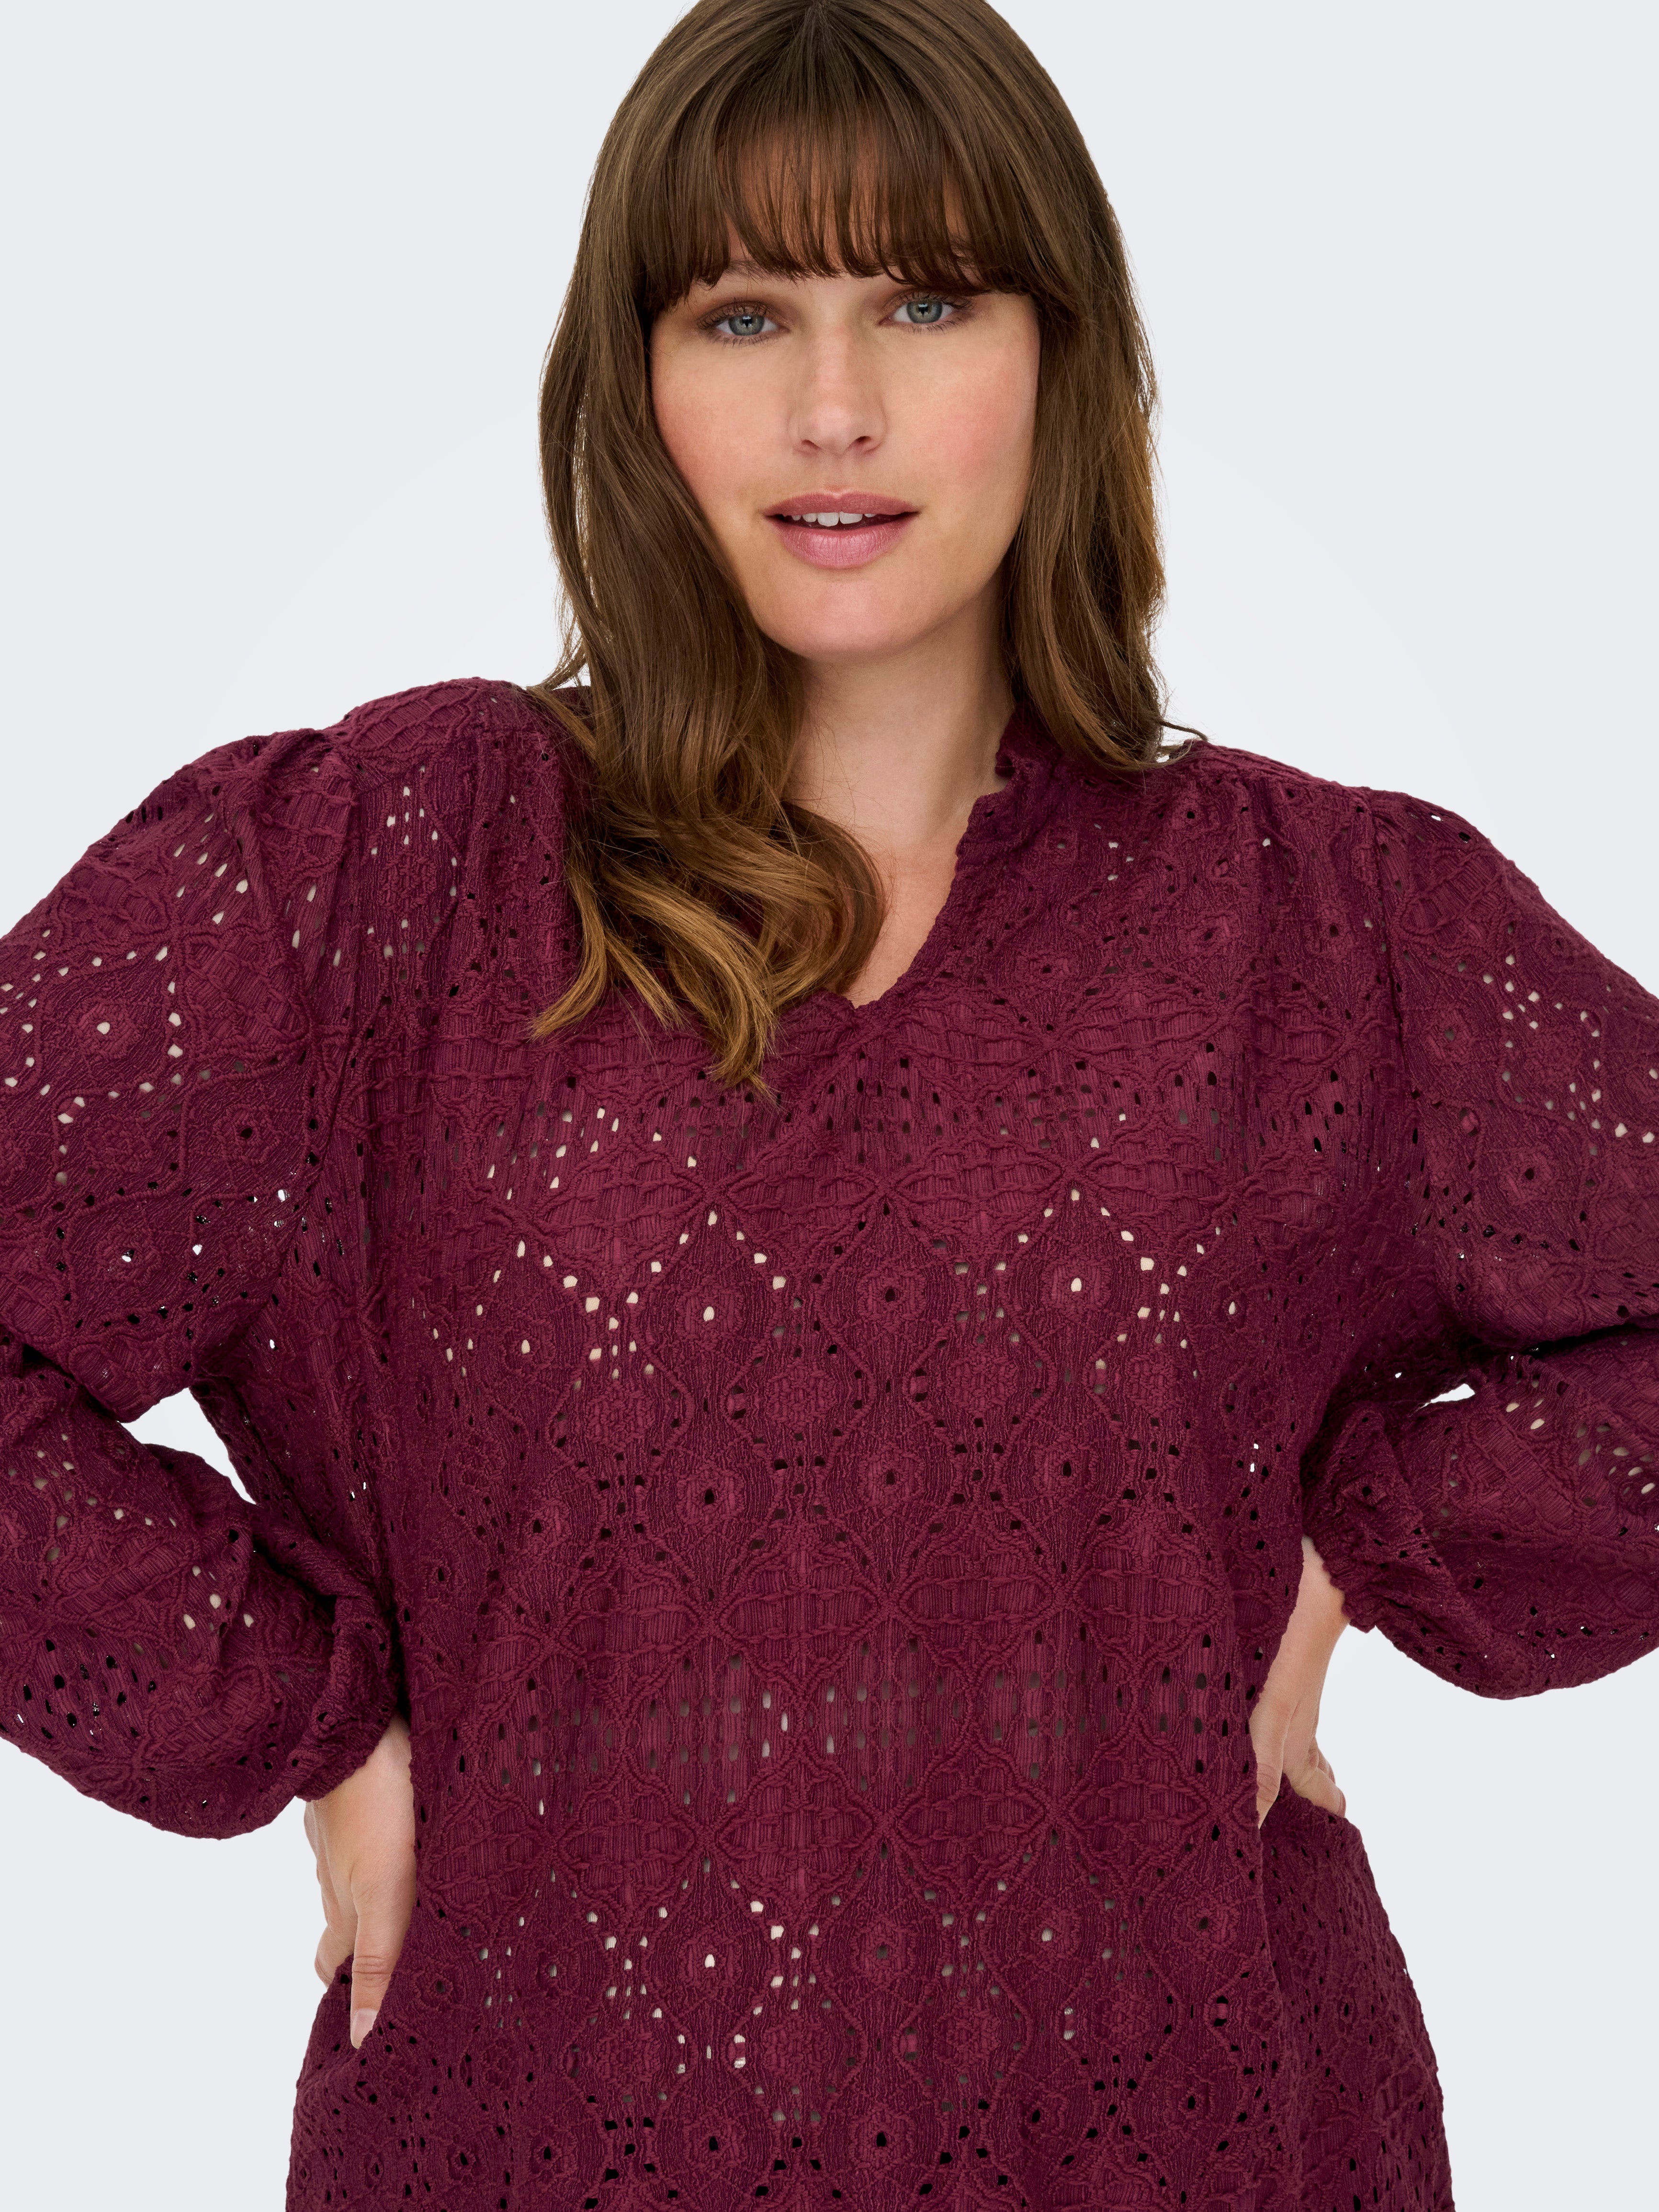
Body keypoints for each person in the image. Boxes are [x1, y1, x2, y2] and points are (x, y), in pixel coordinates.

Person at [3, 0, 1655, 2204]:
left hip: (1193, 2128)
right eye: (744, 311)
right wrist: (292, 1717)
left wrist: (1388, 1544)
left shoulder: (1327, 925)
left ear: (1064, 358)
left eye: (930, 301)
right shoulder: (382, 876)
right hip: (540, 2136)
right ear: (636, 382)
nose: (836, 405)